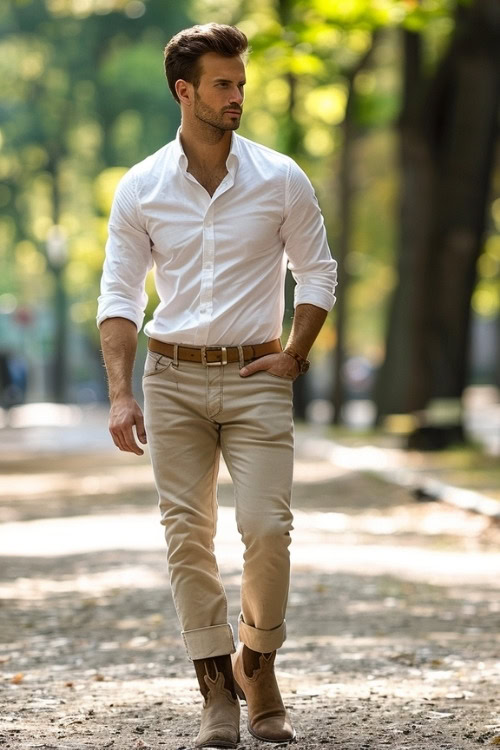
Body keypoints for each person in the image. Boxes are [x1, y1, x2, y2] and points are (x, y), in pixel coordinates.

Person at [97, 23, 337, 749]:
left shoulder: (280, 177)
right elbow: (119, 294)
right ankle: (215, 692)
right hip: (170, 377)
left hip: (257, 374)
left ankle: (256, 663)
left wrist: (295, 352)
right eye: (223, 84)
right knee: (186, 536)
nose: (238, 95)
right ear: (185, 91)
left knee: (268, 528)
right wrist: (121, 391)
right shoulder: (141, 186)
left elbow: (318, 270)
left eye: (240, 82)